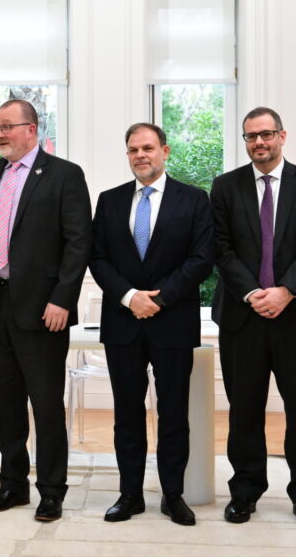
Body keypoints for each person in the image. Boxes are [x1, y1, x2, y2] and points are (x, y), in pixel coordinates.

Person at [0, 99, 91, 523]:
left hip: (44, 309)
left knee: (46, 404)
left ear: (31, 129)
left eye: (7, 126)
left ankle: (51, 490)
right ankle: (13, 484)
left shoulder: (65, 175)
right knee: (3, 402)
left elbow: (78, 243)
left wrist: (63, 299)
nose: (0, 134)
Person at [211, 107, 296, 528]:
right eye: (251, 136)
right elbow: (221, 248)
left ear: (282, 136)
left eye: (266, 134)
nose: (259, 142)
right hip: (242, 317)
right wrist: (252, 293)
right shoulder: (225, 187)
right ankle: (245, 492)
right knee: (244, 410)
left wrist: (285, 291)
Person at [88, 122, 214, 526]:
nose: (140, 156)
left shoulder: (194, 199)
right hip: (122, 321)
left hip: (172, 321)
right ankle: (130, 494)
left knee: (174, 413)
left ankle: (173, 495)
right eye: (133, 150)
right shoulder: (109, 200)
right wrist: (130, 297)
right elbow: (97, 257)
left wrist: (157, 299)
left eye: (147, 148)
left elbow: (201, 259)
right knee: (126, 413)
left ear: (165, 151)